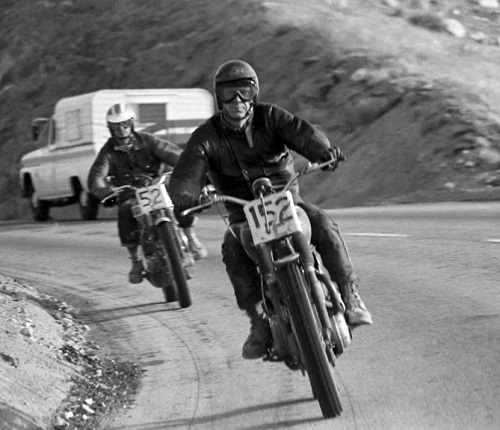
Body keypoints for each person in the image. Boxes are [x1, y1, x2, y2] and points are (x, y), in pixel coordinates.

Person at [169, 60, 373, 359]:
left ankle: (350, 295)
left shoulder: (272, 117)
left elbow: (302, 133)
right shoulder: (206, 137)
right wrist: (185, 193)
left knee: (323, 223)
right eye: (228, 94)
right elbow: (188, 170)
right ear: (218, 97)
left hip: (287, 201)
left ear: (255, 93)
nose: (237, 101)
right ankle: (258, 321)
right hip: (242, 214)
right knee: (232, 249)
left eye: (244, 91)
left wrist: (323, 152)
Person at [88, 102, 207, 284]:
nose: (121, 129)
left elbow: (173, 153)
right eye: (116, 126)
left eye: (125, 124)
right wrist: (104, 190)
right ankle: (136, 261)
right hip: (130, 194)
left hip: (156, 186)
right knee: (125, 211)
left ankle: (190, 236)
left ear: (132, 123)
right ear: (110, 128)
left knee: (181, 194)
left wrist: (188, 167)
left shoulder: (148, 140)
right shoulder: (107, 152)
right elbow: (97, 175)